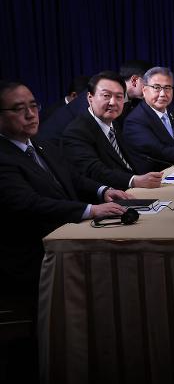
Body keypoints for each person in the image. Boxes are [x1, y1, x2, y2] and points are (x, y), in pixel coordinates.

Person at [0, 80, 130, 301]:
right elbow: (29, 203)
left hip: (68, 236)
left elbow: (73, 178)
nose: (31, 114)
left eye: (33, 106)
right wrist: (90, 210)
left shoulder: (41, 143)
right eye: (19, 109)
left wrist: (103, 191)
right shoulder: (4, 157)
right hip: (34, 254)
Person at [61, 72, 163, 190]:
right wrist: (134, 181)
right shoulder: (76, 132)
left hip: (133, 190)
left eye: (119, 97)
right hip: (107, 200)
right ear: (90, 98)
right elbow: (95, 171)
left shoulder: (114, 123)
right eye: (106, 96)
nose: (113, 102)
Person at [117, 59, 152, 131]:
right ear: (134, 80)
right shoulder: (105, 100)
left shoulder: (139, 103)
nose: (152, 90)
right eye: (149, 84)